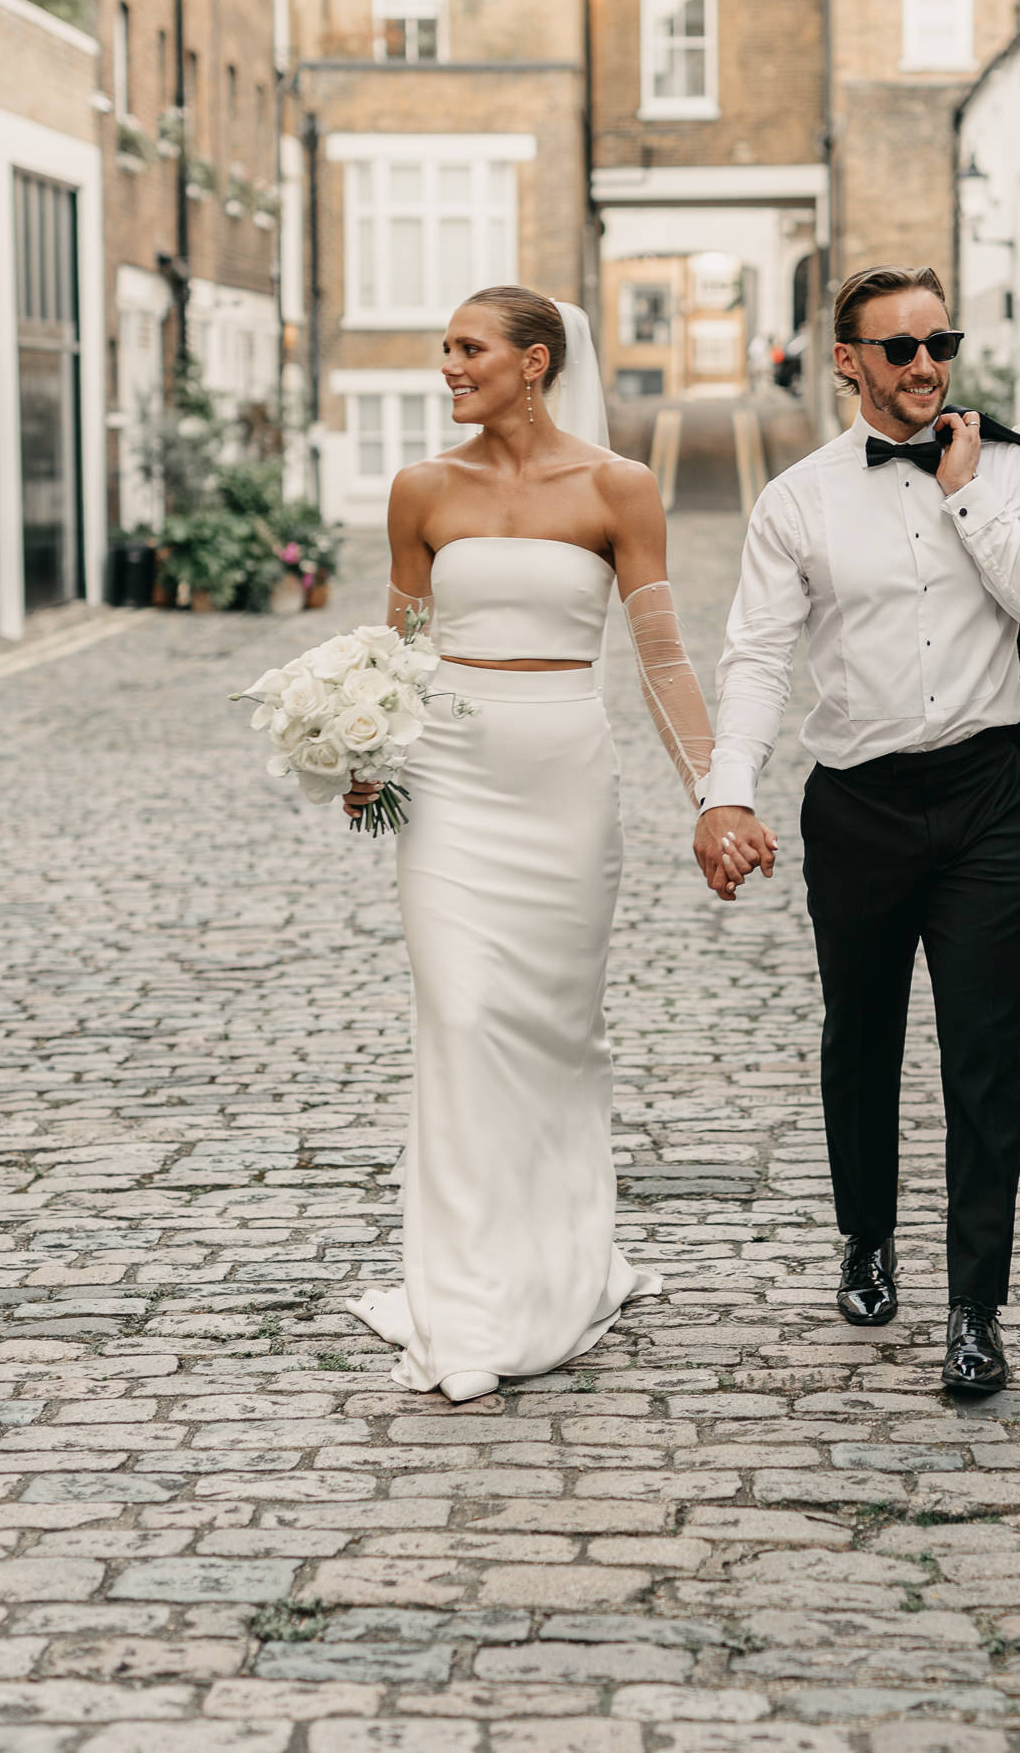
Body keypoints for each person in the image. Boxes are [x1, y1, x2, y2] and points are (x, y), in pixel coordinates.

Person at [693, 265, 1020, 1394]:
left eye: (937, 343)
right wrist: (729, 790)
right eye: (898, 349)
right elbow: (758, 657)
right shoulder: (796, 501)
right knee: (858, 1038)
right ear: (848, 365)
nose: (925, 366)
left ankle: (975, 1309)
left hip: (985, 799)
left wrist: (966, 496)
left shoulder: (1009, 469)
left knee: (981, 1051)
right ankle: (864, 1237)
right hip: (857, 802)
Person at [343, 286, 722, 1404]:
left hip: (562, 777)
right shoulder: (420, 490)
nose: (447, 366)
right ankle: (461, 1303)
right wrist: (360, 745)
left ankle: (551, 1268)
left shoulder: (617, 487)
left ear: (535, 362)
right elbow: (400, 644)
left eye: (468, 349)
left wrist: (716, 791)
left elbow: (659, 660)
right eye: (443, 347)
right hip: (449, 778)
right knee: (458, 1017)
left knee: (552, 1032)